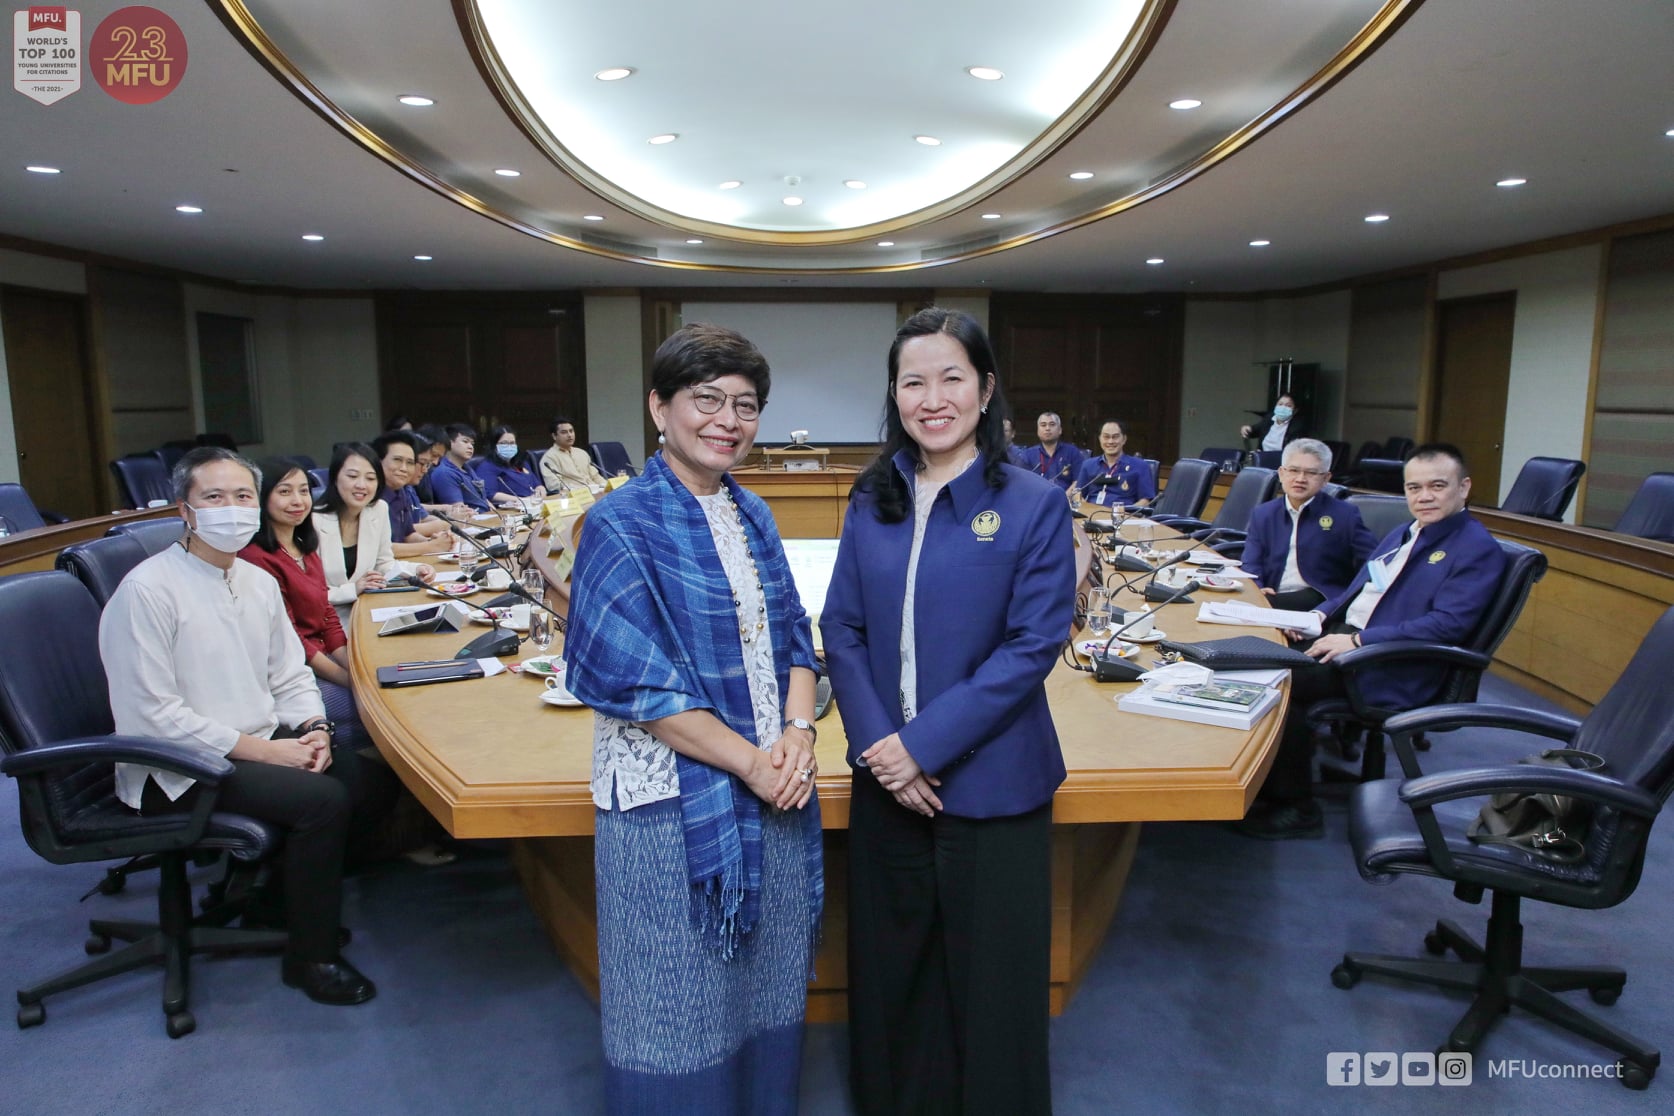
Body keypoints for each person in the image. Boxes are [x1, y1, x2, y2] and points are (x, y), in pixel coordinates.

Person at [820, 308, 1076, 1115]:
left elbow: (1031, 647)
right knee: (891, 971)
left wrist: (921, 748)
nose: (933, 398)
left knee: (992, 985)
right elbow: (842, 627)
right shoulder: (873, 496)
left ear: (987, 387)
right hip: (885, 777)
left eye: (952, 377)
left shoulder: (1033, 502)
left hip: (991, 781)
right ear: (894, 395)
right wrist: (880, 748)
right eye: (913, 381)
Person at [563, 323, 823, 1113]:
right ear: (659, 408)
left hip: (773, 776)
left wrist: (799, 736)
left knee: (767, 977)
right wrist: (752, 761)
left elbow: (796, 639)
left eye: (746, 405)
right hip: (668, 801)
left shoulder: (756, 516)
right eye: (705, 400)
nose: (727, 421)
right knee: (674, 995)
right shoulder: (620, 524)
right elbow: (639, 686)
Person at [98, 447, 378, 1005]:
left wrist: (314, 727)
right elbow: (152, 715)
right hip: (176, 766)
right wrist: (269, 753)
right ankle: (310, 959)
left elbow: (289, 670)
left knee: (369, 780)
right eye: (214, 498)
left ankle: (276, 903)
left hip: (252, 740)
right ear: (185, 511)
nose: (233, 508)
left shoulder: (255, 580)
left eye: (243, 496)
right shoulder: (147, 591)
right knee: (320, 802)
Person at [1236, 443, 1508, 839]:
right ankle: (1264, 784)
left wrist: (1359, 640)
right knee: (1252, 653)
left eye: (1437, 485)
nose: (1424, 496)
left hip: (1390, 665)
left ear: (1464, 488)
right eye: (1414, 488)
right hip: (1351, 640)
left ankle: (1297, 807)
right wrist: (1319, 616)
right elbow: (1360, 587)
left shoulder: (1475, 548)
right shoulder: (1407, 531)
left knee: (1280, 680)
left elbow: (1448, 626)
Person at [1240, 438, 1377, 613]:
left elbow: (1372, 563)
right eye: (1294, 470)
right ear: (1282, 473)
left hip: (1319, 599)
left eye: (1311, 473)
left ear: (1326, 478)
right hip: (1272, 594)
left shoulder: (1345, 515)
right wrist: (1257, 588)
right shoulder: (1264, 513)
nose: (1300, 479)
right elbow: (1251, 562)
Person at [311, 442, 433, 626]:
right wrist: (353, 589)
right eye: (352, 476)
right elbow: (307, 592)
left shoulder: (378, 509)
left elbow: (383, 562)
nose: (362, 485)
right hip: (326, 622)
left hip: (369, 612)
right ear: (335, 478)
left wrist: (415, 570)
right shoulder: (313, 521)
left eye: (370, 478)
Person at [372, 431, 454, 558]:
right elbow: (380, 550)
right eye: (397, 460)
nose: (404, 468)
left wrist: (434, 542)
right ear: (378, 461)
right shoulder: (370, 495)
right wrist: (431, 546)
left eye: (410, 462)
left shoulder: (400, 491)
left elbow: (408, 535)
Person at [1074, 419, 1157, 508]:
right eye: (1106, 437)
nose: (1110, 441)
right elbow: (1078, 494)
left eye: (1115, 437)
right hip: (1091, 516)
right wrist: (1086, 509)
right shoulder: (1088, 465)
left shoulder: (1140, 466)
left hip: (1122, 517)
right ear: (1099, 439)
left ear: (1124, 439)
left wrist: (1123, 514)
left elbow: (1146, 501)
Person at [471, 423, 545, 506]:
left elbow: (537, 484)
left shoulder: (521, 463)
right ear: (494, 445)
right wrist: (522, 500)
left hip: (533, 504)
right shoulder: (487, 467)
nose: (509, 446)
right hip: (511, 508)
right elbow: (490, 494)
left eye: (512, 443)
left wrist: (541, 490)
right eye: (504, 443)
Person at [428, 423, 494, 513]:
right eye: (465, 441)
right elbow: (459, 511)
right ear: (449, 443)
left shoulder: (468, 469)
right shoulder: (444, 473)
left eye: (472, 443)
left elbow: (483, 500)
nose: (470, 447)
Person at [1017, 410, 1085, 491]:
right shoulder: (1028, 455)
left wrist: (1065, 497)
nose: (1047, 428)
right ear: (1038, 430)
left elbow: (1078, 481)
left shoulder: (1072, 452)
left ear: (1060, 430)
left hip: (1065, 499)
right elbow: (1022, 483)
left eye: (1052, 424)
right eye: (1043, 425)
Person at [540, 415, 607, 493]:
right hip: (575, 496)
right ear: (554, 436)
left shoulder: (581, 453)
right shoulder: (549, 458)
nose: (569, 435)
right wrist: (581, 490)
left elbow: (595, 476)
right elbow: (554, 485)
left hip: (595, 493)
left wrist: (607, 486)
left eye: (571, 431)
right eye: (564, 432)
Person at [1241, 392, 1305, 452]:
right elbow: (1255, 430)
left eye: (1288, 406)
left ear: (1295, 410)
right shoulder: (1269, 418)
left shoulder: (1298, 427)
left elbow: (1294, 450)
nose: (1283, 408)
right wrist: (1248, 429)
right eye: (1280, 404)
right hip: (1263, 458)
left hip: (1283, 461)